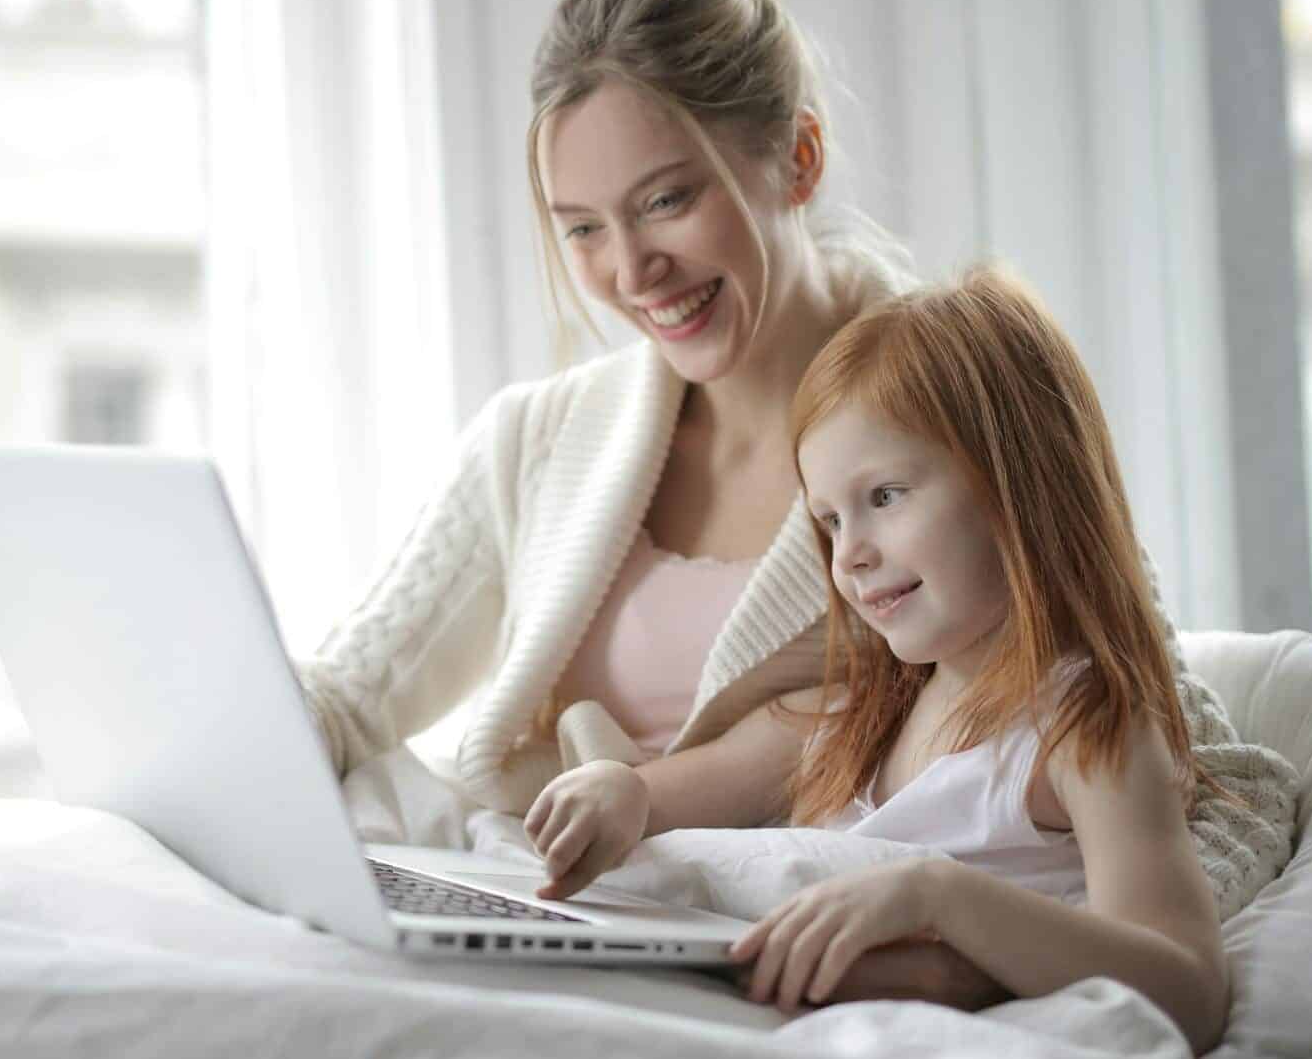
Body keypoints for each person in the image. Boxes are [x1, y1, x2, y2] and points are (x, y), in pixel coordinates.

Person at [296, 0, 1295, 1010]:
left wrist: (977, 956)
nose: (631, 273)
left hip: (775, 951)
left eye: (667, 200)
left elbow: (1199, 774)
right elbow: (345, 696)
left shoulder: (955, 407)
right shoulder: (540, 440)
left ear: (799, 160)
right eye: (583, 229)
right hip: (561, 895)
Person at [523, 267, 1231, 1052]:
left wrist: (940, 898)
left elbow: (1187, 986)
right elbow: (669, 793)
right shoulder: (855, 713)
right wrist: (617, 790)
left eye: (886, 497)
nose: (849, 556)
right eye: (829, 522)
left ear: (1020, 481)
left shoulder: (1084, 727)